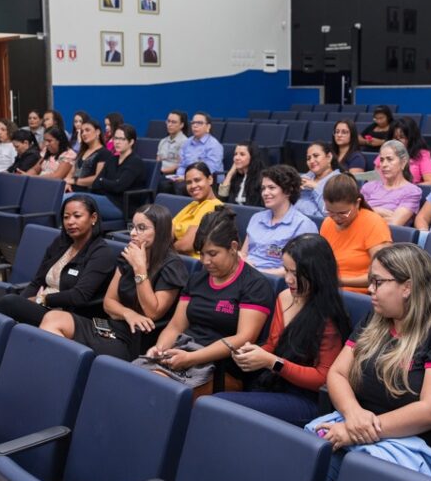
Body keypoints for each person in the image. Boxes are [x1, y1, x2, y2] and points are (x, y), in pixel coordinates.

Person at [307, 244, 431, 476]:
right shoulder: (376, 318)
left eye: (377, 282)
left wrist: (356, 431)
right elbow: (337, 373)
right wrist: (353, 414)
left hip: (413, 443)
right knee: (304, 456)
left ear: (407, 287)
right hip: (357, 425)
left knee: (330, 472)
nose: (369, 289)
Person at [217, 234, 351, 425]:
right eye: (285, 270)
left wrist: (273, 362)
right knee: (216, 402)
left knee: (220, 404)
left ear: (316, 273)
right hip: (275, 384)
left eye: (295, 273)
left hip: (305, 399)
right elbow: (273, 343)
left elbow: (324, 378)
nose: (288, 279)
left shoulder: (329, 315)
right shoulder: (284, 297)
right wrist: (254, 353)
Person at [137, 207, 274, 394]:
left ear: (233, 248)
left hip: (221, 367)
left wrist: (192, 358)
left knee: (155, 388)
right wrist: (160, 349)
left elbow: (243, 338)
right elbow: (176, 326)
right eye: (201, 254)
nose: (205, 261)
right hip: (183, 353)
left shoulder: (254, 284)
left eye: (213, 254)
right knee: (130, 376)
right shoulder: (197, 279)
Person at [41, 204, 188, 360]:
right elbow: (108, 302)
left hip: (137, 339)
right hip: (114, 326)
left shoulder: (172, 265)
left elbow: (152, 312)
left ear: (159, 232)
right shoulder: (129, 256)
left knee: (66, 345)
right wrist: (127, 313)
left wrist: (140, 269)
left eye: (141, 228)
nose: (132, 233)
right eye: (133, 227)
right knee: (53, 318)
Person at [0, 195, 117, 324]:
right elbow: (37, 282)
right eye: (66, 217)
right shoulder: (60, 243)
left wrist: (42, 299)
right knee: (11, 306)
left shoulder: (101, 253)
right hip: (43, 307)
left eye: (77, 216)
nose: (70, 222)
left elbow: (79, 296)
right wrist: (22, 303)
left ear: (93, 218)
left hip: (68, 316)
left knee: (9, 302)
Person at [321, 174, 392, 292]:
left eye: (343, 213)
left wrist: (340, 281)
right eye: (330, 211)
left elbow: (384, 274)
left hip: (358, 294)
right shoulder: (327, 223)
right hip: (329, 290)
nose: (336, 218)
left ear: (357, 203)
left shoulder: (373, 223)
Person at [242, 165, 317, 274]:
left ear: (288, 191)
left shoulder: (303, 225)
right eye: (263, 188)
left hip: (273, 281)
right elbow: (243, 253)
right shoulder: (256, 218)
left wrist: (256, 272)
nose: (265, 193)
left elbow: (298, 269)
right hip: (244, 274)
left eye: (271, 188)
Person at [90, 123, 150, 216]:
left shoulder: (135, 162)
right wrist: (108, 183)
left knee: (79, 202)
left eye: (122, 139)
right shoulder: (112, 159)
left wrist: (103, 181)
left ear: (131, 142)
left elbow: (119, 186)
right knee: (76, 200)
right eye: (116, 138)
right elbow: (95, 184)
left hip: (123, 206)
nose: (117, 142)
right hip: (107, 199)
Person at [363, 140, 423, 227]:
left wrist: (366, 212)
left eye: (389, 159)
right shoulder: (368, 187)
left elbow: (394, 223)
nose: (384, 165)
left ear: (403, 162)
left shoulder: (412, 192)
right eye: (382, 160)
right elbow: (351, 215)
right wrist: (379, 211)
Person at [172, 163, 223, 256]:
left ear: (210, 179)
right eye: (188, 182)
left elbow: (186, 245)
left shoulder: (213, 205)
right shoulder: (193, 204)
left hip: (195, 263)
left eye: (197, 180)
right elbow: (167, 229)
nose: (193, 186)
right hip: (178, 257)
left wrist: (165, 249)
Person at [294, 141, 341, 220]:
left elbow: (330, 213)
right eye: (308, 158)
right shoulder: (306, 177)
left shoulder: (339, 181)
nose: (311, 161)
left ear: (329, 157)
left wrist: (316, 187)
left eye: (316, 156)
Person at [66, 117, 112, 191]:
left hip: (90, 193)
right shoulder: (82, 152)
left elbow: (97, 178)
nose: (84, 134)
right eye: (82, 132)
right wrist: (67, 183)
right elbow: (70, 173)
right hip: (72, 190)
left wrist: (75, 181)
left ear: (97, 132)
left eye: (87, 130)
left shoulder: (104, 153)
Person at [177, 112, 224, 180]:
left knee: (180, 187)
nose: (195, 125)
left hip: (208, 180)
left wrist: (187, 178)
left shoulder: (214, 145)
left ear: (208, 126)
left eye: (199, 123)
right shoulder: (186, 143)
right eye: (193, 123)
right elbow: (182, 165)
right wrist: (179, 176)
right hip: (186, 178)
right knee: (164, 184)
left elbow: (210, 170)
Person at [391, 117, 431, 184]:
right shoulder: (386, 152)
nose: (396, 141)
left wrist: (410, 189)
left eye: (401, 137)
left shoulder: (422, 154)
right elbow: (375, 177)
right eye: (394, 138)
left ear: (411, 138)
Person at [218, 141, 265, 207]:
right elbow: (221, 199)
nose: (237, 158)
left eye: (242, 154)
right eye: (235, 154)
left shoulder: (261, 178)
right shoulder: (235, 177)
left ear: (252, 157)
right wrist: (230, 174)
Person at [157, 110, 189, 177]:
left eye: (173, 122)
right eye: (168, 121)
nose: (170, 125)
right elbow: (158, 161)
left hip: (173, 175)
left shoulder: (185, 142)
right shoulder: (163, 141)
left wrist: (162, 171)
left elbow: (180, 165)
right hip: (159, 173)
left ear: (181, 125)